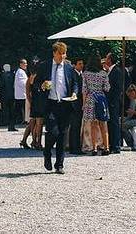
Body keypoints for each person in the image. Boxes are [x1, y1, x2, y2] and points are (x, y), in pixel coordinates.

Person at [35, 42, 78, 174]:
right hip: (50, 104)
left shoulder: (69, 67)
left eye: (64, 53)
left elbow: (75, 83)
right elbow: (36, 83)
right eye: (60, 53)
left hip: (65, 103)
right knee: (53, 132)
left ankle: (59, 164)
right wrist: (42, 86)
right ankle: (47, 152)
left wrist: (75, 92)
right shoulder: (45, 66)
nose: (62, 56)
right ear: (54, 53)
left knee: (63, 135)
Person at [82, 53, 111, 156]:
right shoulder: (103, 74)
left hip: (90, 99)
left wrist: (84, 104)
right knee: (103, 124)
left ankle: (94, 148)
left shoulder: (85, 73)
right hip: (101, 98)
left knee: (93, 124)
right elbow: (107, 88)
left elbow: (84, 90)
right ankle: (106, 147)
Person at [106, 52, 131, 154]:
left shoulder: (116, 71)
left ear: (110, 60)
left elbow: (118, 88)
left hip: (114, 102)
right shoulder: (111, 70)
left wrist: (113, 101)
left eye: (107, 58)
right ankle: (113, 144)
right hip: (111, 101)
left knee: (114, 123)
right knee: (111, 123)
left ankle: (116, 146)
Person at [68, 58, 85, 154]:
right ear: (74, 65)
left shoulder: (81, 74)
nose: (82, 65)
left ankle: (75, 146)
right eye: (79, 64)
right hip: (74, 103)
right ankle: (74, 147)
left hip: (79, 103)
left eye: (82, 63)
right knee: (75, 126)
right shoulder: (73, 74)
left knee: (77, 126)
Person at [22, 63, 40, 149]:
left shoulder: (30, 78)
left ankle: (24, 140)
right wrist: (31, 103)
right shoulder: (31, 79)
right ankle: (33, 140)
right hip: (31, 102)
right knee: (33, 122)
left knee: (31, 123)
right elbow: (28, 93)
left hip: (31, 101)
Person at [0, 64, 16, 131]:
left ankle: (5, 121)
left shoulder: (1, 75)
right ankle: (12, 124)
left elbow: (0, 85)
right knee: (12, 109)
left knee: (5, 109)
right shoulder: (13, 75)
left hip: (4, 94)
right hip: (12, 94)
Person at [14, 59, 28, 125]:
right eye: (25, 63)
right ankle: (24, 120)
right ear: (20, 64)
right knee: (23, 108)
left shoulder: (21, 71)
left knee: (20, 108)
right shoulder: (20, 72)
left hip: (21, 94)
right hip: (22, 94)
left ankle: (23, 120)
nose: (26, 65)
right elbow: (23, 83)